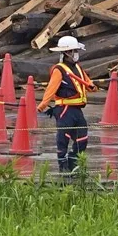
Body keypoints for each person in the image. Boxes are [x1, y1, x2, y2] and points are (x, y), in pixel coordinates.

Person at [37, 36, 98, 174]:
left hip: (77, 109)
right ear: (67, 53)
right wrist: (42, 105)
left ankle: (73, 161)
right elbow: (51, 89)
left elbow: (87, 82)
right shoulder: (59, 70)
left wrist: (92, 87)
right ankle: (62, 164)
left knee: (82, 137)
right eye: (74, 51)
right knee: (63, 137)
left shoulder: (77, 67)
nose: (76, 53)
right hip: (64, 109)